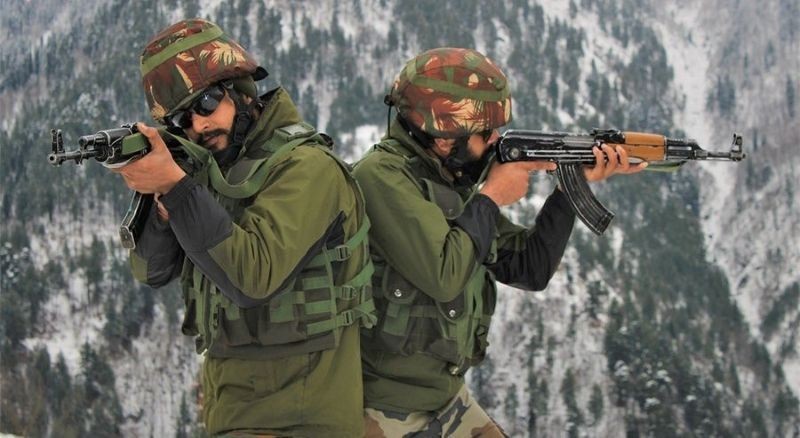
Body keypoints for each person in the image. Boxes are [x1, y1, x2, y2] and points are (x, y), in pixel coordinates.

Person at [353, 47, 646, 437]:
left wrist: (569, 190)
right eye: (485, 133)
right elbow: (444, 274)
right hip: (383, 408)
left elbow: (530, 267)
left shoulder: (445, 180)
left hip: (443, 397)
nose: (496, 141)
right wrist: (491, 196)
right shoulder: (380, 177)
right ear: (445, 136)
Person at [114, 18, 375, 436]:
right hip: (234, 411)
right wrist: (164, 208)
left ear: (241, 90)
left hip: (303, 418)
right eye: (182, 118)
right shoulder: (210, 172)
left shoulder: (308, 168)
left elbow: (253, 277)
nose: (199, 125)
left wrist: (178, 189)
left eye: (207, 102)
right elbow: (152, 271)